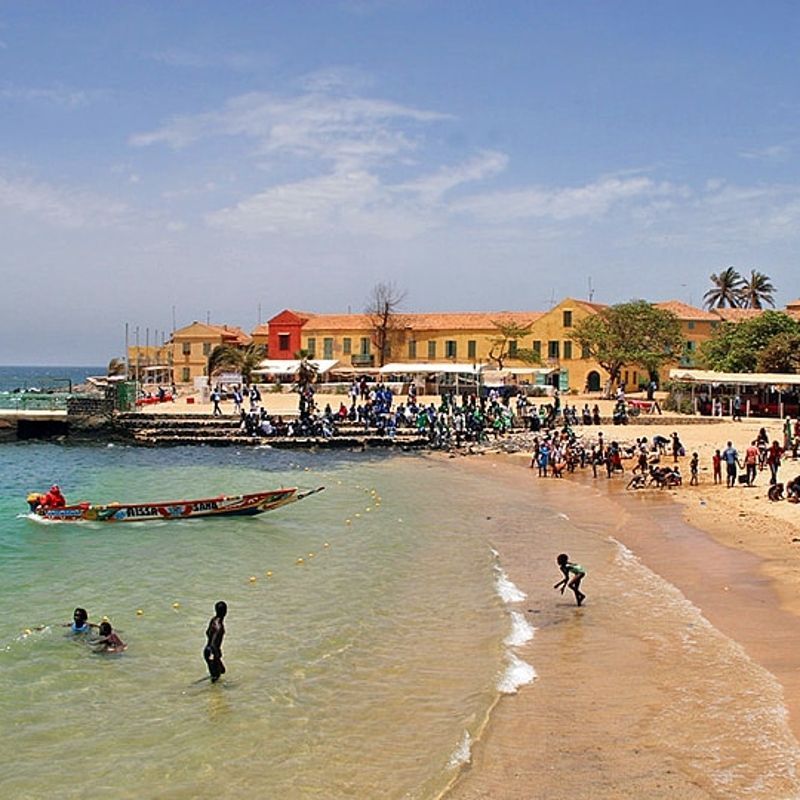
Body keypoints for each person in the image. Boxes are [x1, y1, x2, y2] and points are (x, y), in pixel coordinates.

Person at [203, 600, 227, 683]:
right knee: (216, 676)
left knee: (219, 673)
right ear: (225, 612)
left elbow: (207, 632)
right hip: (212, 653)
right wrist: (217, 657)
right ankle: (213, 694)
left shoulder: (213, 620)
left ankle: (213, 693)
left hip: (207, 650)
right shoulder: (219, 627)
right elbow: (213, 644)